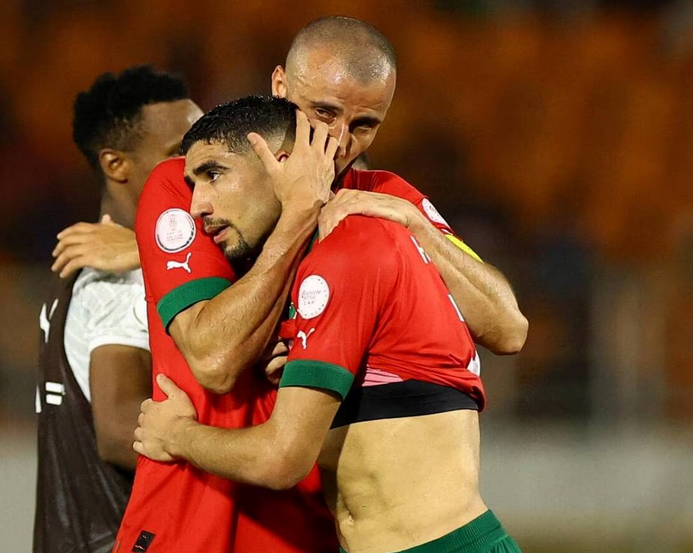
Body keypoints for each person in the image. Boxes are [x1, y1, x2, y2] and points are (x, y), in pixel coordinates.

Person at [135, 94, 523, 553]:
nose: (197, 205)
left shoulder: (354, 245)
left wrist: (177, 436)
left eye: (214, 175)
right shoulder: (334, 249)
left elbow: (281, 458)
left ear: (280, 163)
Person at [52, 16, 528, 356]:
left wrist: (415, 225)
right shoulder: (196, 180)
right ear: (280, 86)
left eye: (364, 124)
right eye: (323, 112)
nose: (340, 140)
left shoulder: (383, 193)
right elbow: (213, 355)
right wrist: (149, 250)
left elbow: (509, 329)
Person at [33, 65, 203, 553]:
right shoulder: (123, 279)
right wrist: (245, 448)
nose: (199, 163)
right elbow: (119, 428)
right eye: (179, 151)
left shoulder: (121, 263)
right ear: (116, 164)